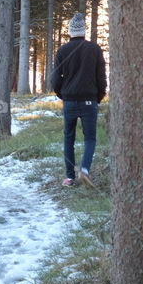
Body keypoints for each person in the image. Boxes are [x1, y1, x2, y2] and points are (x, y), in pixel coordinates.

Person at [50, 13, 106, 187]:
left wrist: (63, 95)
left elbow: (55, 79)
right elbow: (101, 77)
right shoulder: (94, 49)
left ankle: (69, 177)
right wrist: (98, 97)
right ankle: (85, 170)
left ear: (70, 31)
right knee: (90, 138)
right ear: (84, 30)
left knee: (69, 138)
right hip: (90, 100)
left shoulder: (62, 50)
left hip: (70, 101)